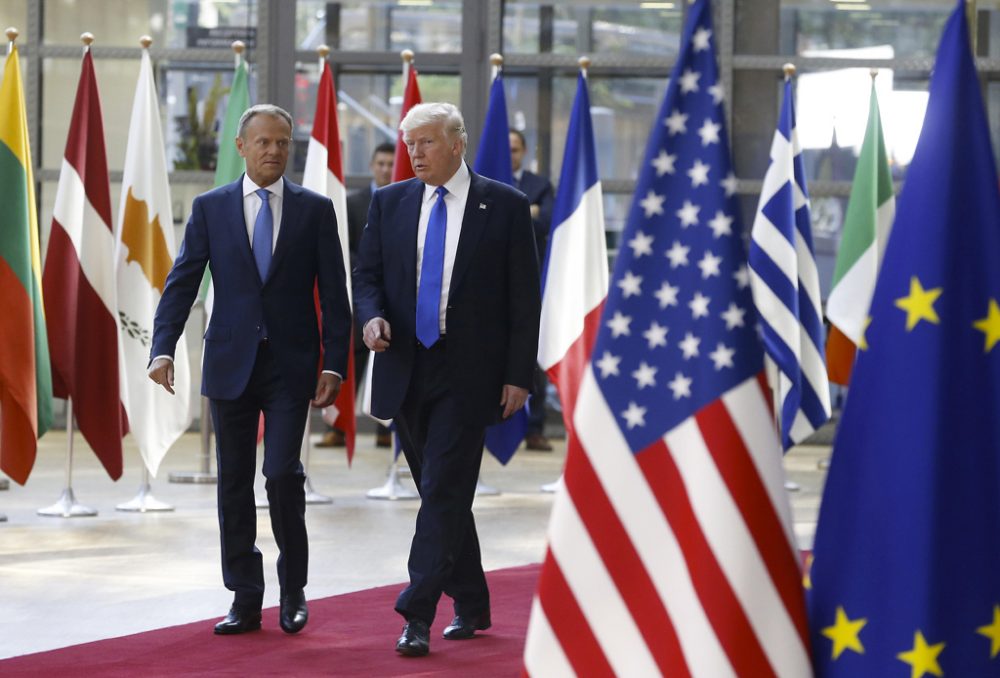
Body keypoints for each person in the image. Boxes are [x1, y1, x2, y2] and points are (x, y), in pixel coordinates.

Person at [148, 104, 351, 637]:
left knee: (282, 473)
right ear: (241, 147)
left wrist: (335, 363)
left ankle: (294, 589)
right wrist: (162, 348)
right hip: (230, 362)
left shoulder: (314, 210)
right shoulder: (210, 207)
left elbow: (335, 294)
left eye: (283, 143)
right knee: (233, 484)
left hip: (292, 367)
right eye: (263, 142)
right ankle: (244, 594)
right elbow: (183, 280)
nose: (274, 151)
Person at [354, 102, 540, 657]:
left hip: (470, 373)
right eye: (410, 145)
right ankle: (474, 602)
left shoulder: (503, 205)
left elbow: (523, 299)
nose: (414, 154)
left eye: (426, 143)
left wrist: (518, 374)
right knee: (445, 492)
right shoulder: (389, 203)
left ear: (457, 144)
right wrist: (371, 317)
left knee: (441, 491)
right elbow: (366, 275)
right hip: (405, 366)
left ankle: (416, 613)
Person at [317, 141, 395, 448]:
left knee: (390, 359)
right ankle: (339, 425)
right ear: (373, 166)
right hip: (362, 291)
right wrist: (367, 270)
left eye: (392, 164)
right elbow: (345, 246)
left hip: (399, 296)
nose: (387, 169)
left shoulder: (408, 198)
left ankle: (386, 431)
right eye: (381, 164)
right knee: (355, 358)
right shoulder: (355, 202)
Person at [509, 128, 555, 452]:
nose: (509, 154)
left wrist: (519, 213)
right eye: (505, 148)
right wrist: (528, 209)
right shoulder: (483, 179)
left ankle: (535, 427)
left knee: (533, 353)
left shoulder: (539, 185)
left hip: (533, 277)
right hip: (493, 281)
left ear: (523, 151)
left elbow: (546, 223)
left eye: (515, 149)